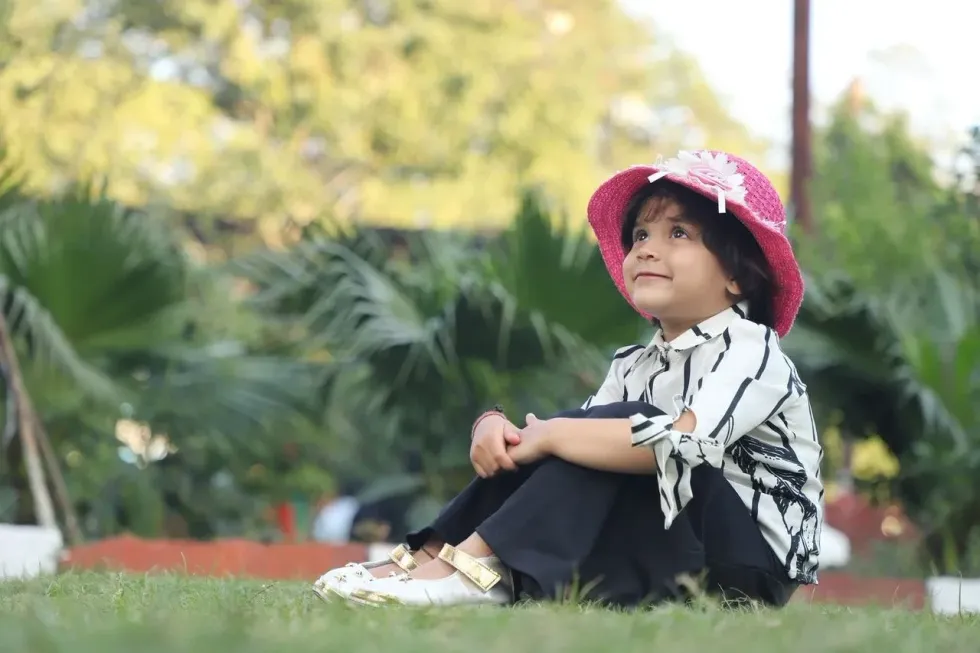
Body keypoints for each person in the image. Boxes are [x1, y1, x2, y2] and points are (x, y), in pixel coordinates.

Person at [312, 150, 824, 609]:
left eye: (679, 234)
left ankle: (468, 571)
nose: (646, 249)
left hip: (748, 569)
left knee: (633, 424)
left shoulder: (751, 348)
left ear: (736, 276)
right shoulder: (633, 363)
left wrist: (552, 433)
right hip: (669, 539)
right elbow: (575, 444)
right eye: (641, 234)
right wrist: (498, 428)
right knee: (589, 437)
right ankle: (423, 559)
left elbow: (682, 443)